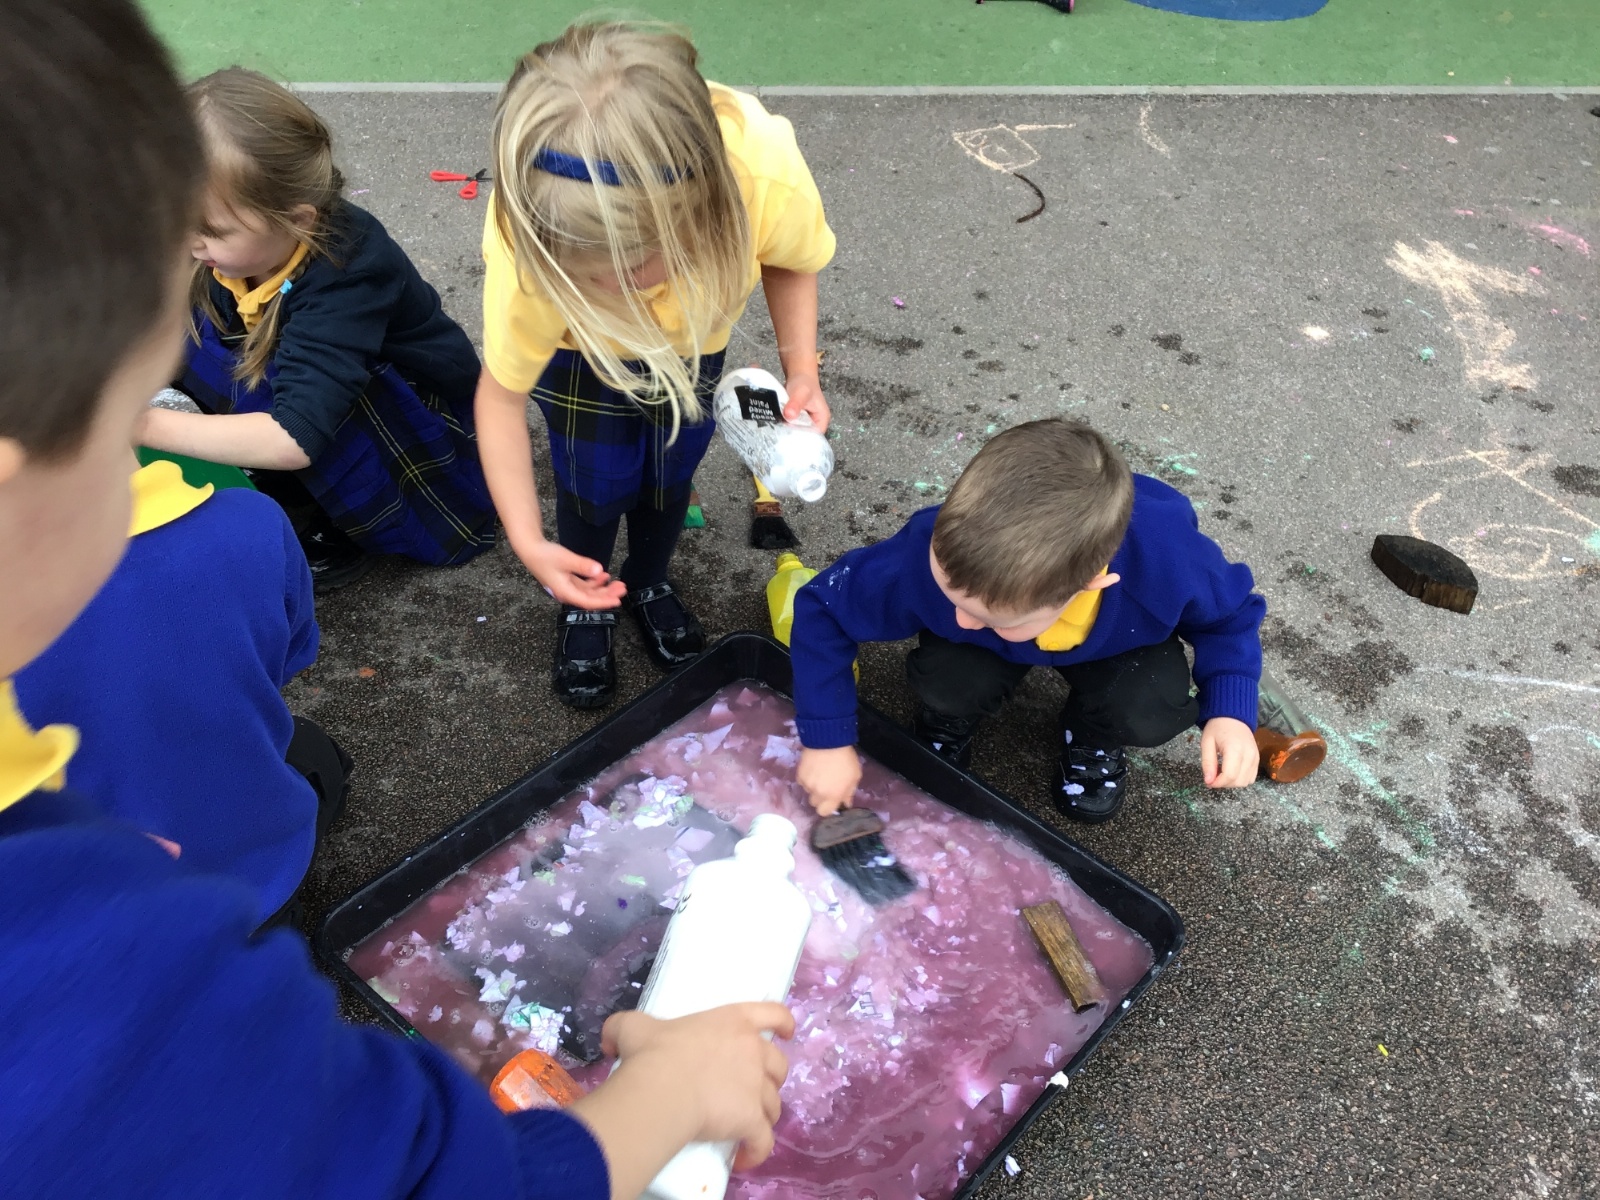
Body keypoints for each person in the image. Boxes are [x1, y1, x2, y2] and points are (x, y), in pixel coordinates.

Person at [0, 3, 792, 1197]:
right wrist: (669, 1095)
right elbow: (426, 1176)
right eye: (133, 419)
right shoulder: (115, 979)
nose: (151, 446)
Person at [476, 20, 835, 708]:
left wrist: (802, 369)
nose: (602, 290)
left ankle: (647, 577)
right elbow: (500, 397)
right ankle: (587, 599)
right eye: (576, 273)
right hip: (577, 354)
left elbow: (791, 258)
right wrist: (528, 540)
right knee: (593, 482)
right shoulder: (531, 240)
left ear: (701, 214)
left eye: (624, 270)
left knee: (671, 473)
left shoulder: (762, 169)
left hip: (693, 342)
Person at [791, 419, 1265, 823]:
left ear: (1090, 584)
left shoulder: (1169, 565)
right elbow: (823, 608)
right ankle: (950, 717)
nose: (960, 620)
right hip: (991, 652)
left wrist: (1230, 710)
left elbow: (1231, 616)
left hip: (1121, 644)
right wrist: (827, 738)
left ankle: (1094, 734)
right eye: (948, 593)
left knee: (1148, 707)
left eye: (989, 615)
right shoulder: (933, 547)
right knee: (948, 677)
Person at [140, 68, 496, 591]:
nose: (188, 240)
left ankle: (343, 521)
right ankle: (287, 475)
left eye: (209, 230)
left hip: (411, 425)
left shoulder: (350, 270)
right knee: (176, 323)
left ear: (298, 219)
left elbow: (293, 438)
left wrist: (140, 424)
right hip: (302, 375)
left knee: (313, 416)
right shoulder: (233, 243)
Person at [12, 454, 348, 928]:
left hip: (98, 922)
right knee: (312, 750)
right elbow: (288, 658)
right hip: (262, 871)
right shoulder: (253, 523)